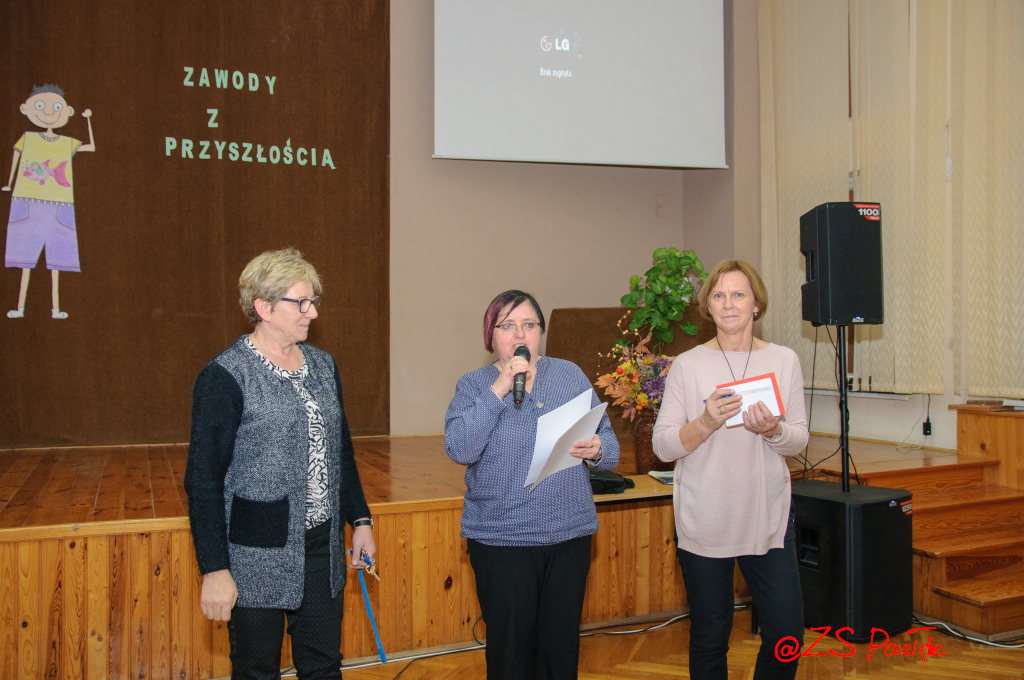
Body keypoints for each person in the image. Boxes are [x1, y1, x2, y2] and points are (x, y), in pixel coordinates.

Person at [185, 247, 375, 680]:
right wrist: (214, 569)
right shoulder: (225, 376)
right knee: (256, 671)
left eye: (314, 301)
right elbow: (203, 482)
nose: (312, 312)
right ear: (264, 307)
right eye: (301, 302)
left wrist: (360, 519)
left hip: (322, 547)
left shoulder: (323, 365)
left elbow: (340, 451)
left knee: (323, 668)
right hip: (256, 553)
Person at [445, 290, 620, 680]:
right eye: (507, 325)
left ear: (540, 332)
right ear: (491, 335)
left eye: (529, 324)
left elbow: (610, 444)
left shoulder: (569, 375)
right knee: (511, 658)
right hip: (503, 540)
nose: (519, 334)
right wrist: (500, 389)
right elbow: (460, 448)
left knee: (559, 653)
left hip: (569, 534)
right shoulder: (474, 385)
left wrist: (597, 449)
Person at [652, 260, 808, 680]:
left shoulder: (784, 360)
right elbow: (662, 446)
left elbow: (799, 440)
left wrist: (774, 430)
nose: (728, 304)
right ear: (708, 306)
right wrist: (704, 423)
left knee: (787, 633)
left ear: (757, 304)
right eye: (718, 296)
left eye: (738, 294)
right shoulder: (688, 365)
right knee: (710, 634)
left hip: (767, 515)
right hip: (705, 516)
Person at [3, 84, 95, 319]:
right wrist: (9, 183)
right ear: (25, 109)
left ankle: (56, 309)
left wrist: (88, 120)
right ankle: (20, 308)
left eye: (56, 107)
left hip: (60, 203)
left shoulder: (66, 142)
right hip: (26, 200)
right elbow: (15, 158)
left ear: (68, 112)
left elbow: (91, 146)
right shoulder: (28, 138)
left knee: (57, 262)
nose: (48, 112)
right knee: (24, 260)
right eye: (40, 106)